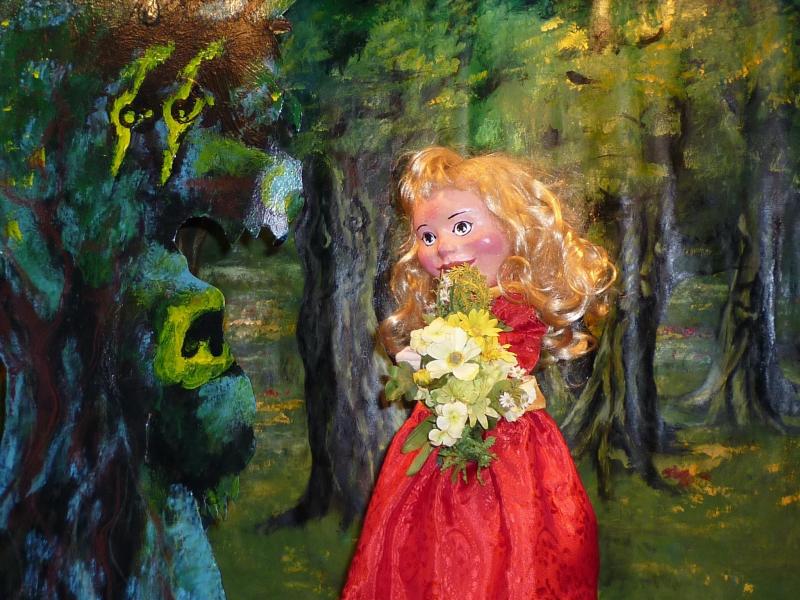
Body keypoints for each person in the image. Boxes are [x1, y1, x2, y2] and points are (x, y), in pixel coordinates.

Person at [342, 147, 616, 600]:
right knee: (420, 550)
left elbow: (502, 361)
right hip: (435, 449)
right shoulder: (445, 309)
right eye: (427, 236)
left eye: (462, 226)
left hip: (510, 453)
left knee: (507, 551)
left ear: (512, 228)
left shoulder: (515, 307)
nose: (444, 247)